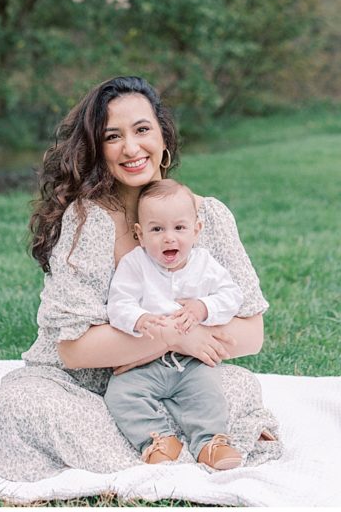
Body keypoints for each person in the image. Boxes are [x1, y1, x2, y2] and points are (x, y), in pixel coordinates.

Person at [0, 76, 281, 481]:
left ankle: (163, 448)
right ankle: (185, 449)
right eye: (113, 136)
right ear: (97, 149)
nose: (131, 148)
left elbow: (251, 333)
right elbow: (76, 351)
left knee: (237, 388)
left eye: (142, 130)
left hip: (179, 376)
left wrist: (177, 341)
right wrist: (177, 336)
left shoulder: (207, 217)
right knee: (20, 405)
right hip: (78, 386)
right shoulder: (86, 222)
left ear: (163, 136)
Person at [105, 178, 246, 470]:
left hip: (191, 360)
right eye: (157, 229)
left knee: (209, 394)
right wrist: (139, 319)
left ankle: (210, 442)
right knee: (120, 394)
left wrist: (203, 307)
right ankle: (157, 439)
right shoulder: (135, 264)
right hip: (144, 361)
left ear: (196, 231)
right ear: (140, 235)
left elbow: (233, 296)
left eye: (179, 228)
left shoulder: (205, 264)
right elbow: (118, 304)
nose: (169, 238)